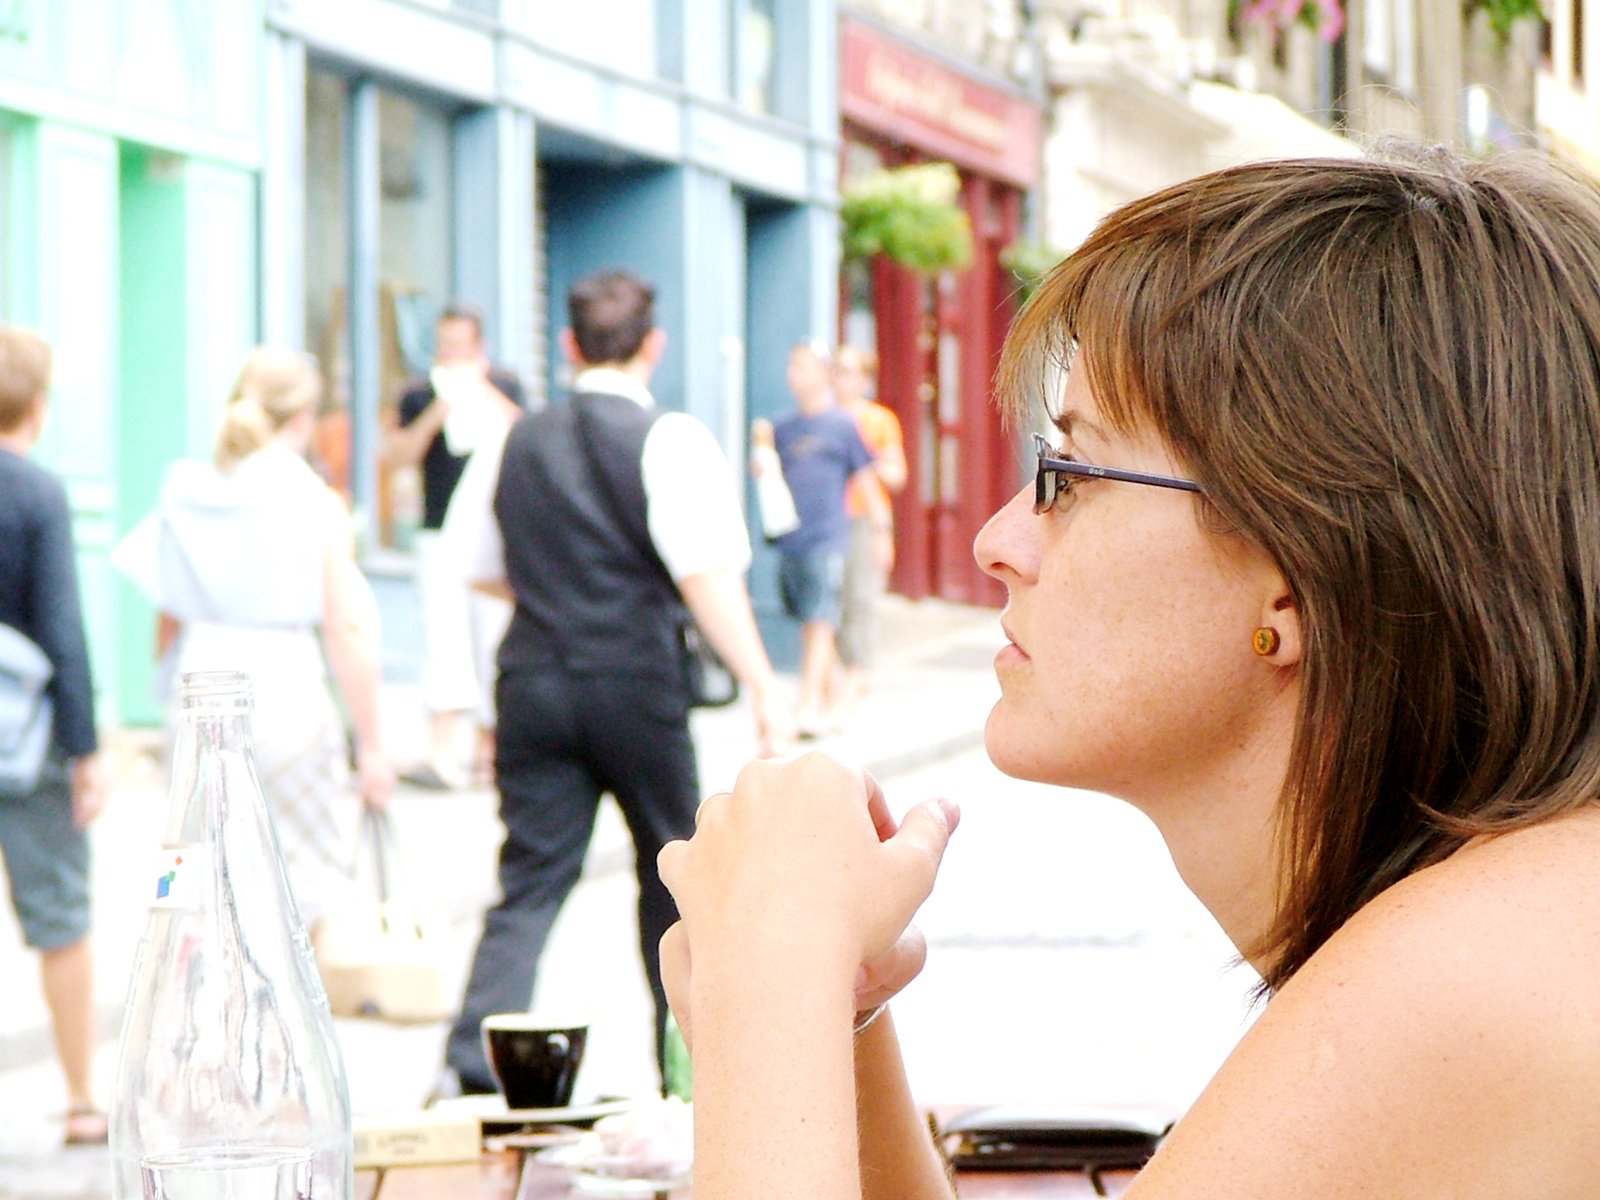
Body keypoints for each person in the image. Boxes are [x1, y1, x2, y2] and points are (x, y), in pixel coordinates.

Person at [655, 149, 1600, 1197]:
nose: (996, 542)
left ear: (1294, 577)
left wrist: (769, 978)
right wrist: (833, 1011)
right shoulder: (1519, 911)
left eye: (1069, 474)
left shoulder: (1459, 981)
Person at [436, 269, 789, 1096]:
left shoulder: (514, 440)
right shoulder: (671, 439)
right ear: (652, 347)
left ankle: (467, 1071)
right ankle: (688, 1073)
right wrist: (764, 686)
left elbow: (482, 569)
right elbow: (704, 576)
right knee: (671, 872)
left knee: (529, 876)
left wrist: (559, 585)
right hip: (634, 680)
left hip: (532, 679)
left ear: (568, 346)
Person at [115, 348, 394, 931]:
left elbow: (166, 621)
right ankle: (277, 1010)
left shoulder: (189, 492)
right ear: (304, 417)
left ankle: (187, 993)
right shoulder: (315, 502)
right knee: (299, 877)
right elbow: (344, 625)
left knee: (189, 865)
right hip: (285, 687)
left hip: (198, 683)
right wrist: (370, 742)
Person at [0, 327, 108, 1146]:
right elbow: (61, 629)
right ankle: (79, 1100)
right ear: (40, 403)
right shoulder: (35, 492)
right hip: (26, 742)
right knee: (60, 918)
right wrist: (87, 749)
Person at [386, 303, 524, 790]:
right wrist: (439, 410)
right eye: (444, 345)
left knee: (493, 638)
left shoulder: (503, 385)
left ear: (478, 346)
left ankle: (491, 757)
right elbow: (397, 457)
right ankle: (441, 751)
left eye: (460, 345)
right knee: (442, 640)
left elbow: (525, 432)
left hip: (494, 532)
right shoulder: (419, 394)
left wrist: (478, 391)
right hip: (438, 532)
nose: (451, 355)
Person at [753, 341, 886, 738]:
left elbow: (866, 478)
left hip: (828, 536)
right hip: (790, 537)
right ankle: (828, 701)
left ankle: (808, 705)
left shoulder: (842, 426)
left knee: (820, 620)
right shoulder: (780, 427)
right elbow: (769, 477)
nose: (796, 375)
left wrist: (881, 529)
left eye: (805, 367)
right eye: (792, 366)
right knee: (809, 619)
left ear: (824, 374)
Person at [831, 344, 906, 718]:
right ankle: (844, 673)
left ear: (863, 378)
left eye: (847, 371)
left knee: (861, 598)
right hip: (827, 518)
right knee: (831, 601)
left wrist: (865, 460)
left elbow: (896, 474)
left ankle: (858, 674)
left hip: (862, 518)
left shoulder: (877, 421)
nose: (839, 378)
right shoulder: (824, 418)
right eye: (836, 370)